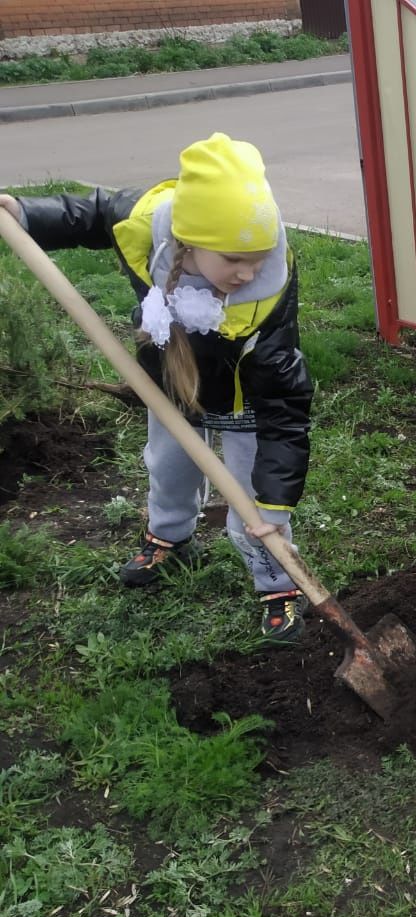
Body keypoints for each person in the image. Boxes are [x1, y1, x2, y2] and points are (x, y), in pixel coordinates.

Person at [0, 133, 313, 641]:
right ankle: (168, 535)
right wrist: (27, 212)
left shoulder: (265, 300)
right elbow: (94, 212)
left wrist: (276, 504)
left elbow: (285, 406)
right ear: (188, 242)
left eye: (258, 255)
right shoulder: (150, 226)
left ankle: (278, 582)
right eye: (234, 258)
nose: (248, 271)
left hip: (245, 401)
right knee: (167, 470)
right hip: (173, 386)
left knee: (253, 508)